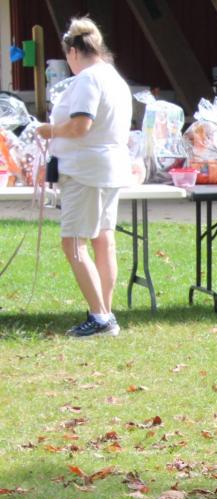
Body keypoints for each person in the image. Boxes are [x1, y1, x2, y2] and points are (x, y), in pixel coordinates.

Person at [35, 16, 132, 337]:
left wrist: (48, 130)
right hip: (109, 168)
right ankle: (105, 311)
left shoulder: (88, 79)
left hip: (85, 172)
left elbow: (80, 126)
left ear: (74, 51)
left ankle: (100, 317)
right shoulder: (115, 78)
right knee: (103, 241)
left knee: (73, 243)